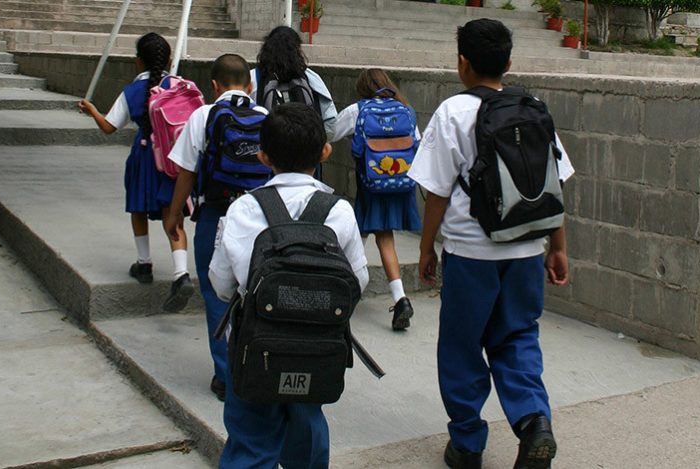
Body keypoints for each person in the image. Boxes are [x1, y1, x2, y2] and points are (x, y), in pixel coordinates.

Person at [408, 19, 574, 469]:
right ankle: (534, 422)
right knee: (519, 337)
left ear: (462, 62)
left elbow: (436, 193)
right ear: (509, 63)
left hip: (471, 254)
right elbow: (553, 183)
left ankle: (467, 445)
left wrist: (427, 249)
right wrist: (557, 247)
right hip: (527, 251)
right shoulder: (534, 105)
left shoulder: (451, 112)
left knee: (461, 346)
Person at [208, 103, 368, 469]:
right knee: (308, 431)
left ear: (263, 156)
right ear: (325, 152)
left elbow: (219, 283)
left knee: (250, 439)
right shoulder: (338, 210)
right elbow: (357, 281)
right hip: (317, 348)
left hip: (253, 345)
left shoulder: (243, 209)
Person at [164, 53, 268, 402]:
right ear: (250, 85)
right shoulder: (266, 117)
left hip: (216, 214)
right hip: (258, 216)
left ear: (213, 85)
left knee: (216, 293)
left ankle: (225, 376)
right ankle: (256, 365)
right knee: (254, 292)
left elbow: (186, 171)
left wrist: (174, 214)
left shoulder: (202, 115)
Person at [79, 32, 194, 313]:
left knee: (138, 209)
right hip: (173, 159)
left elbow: (109, 127)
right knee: (172, 214)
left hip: (144, 156)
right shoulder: (177, 86)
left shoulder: (132, 91)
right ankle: (181, 274)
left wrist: (92, 110)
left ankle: (144, 263)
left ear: (137, 62)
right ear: (168, 59)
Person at [331, 68, 422, 331]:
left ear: (363, 88)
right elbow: (419, 143)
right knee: (383, 238)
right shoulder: (406, 110)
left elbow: (331, 133)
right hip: (400, 185)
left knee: (358, 236)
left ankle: (342, 295)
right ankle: (400, 298)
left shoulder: (358, 110)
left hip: (371, 185)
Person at [250, 25, 337, 141]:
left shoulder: (253, 78)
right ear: (297, 49)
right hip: (305, 150)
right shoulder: (311, 77)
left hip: (267, 151)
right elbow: (330, 120)